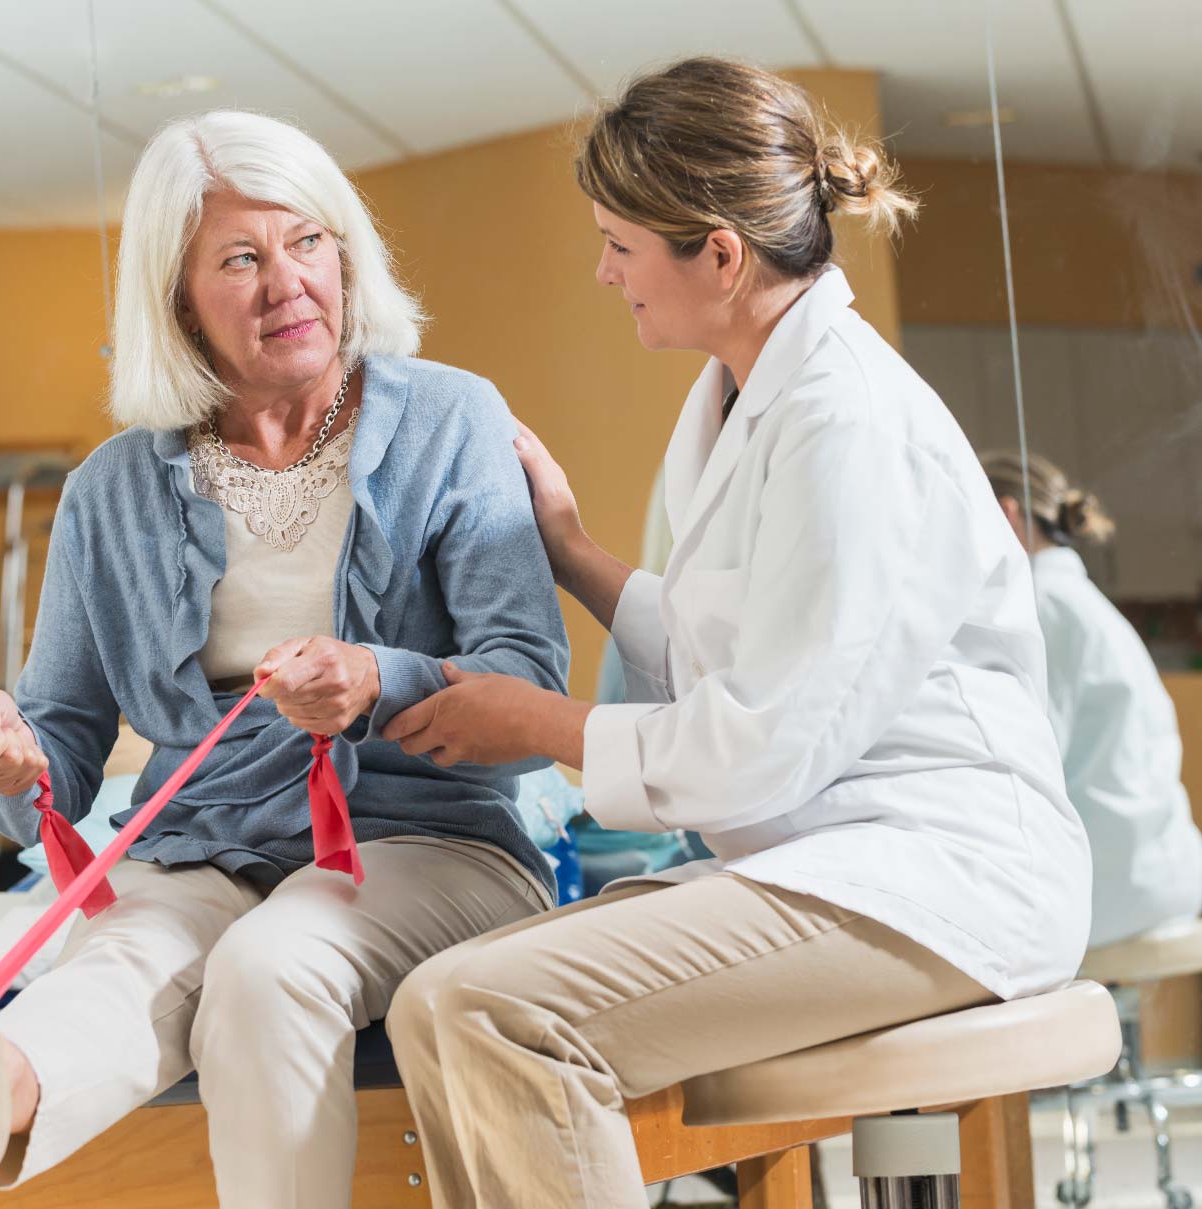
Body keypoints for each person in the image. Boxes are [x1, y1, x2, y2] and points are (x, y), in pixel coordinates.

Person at [380, 57, 1092, 1207]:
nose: (603, 270)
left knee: (494, 1009)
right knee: (435, 998)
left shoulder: (844, 421)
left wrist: (540, 721)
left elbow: (766, 735)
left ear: (718, 251)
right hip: (838, 856)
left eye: (619, 243)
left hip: (943, 874)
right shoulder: (741, 394)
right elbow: (744, 641)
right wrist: (572, 551)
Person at [0, 109, 568, 1205]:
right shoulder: (111, 492)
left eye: (308, 242)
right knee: (128, 957)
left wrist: (376, 682)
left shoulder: (451, 419)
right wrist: (15, 760)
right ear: (176, 300)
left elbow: (530, 678)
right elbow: (66, 744)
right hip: (202, 848)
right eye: (241, 259)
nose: (289, 283)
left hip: (430, 839)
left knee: (271, 969)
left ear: (347, 253)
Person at [982, 450, 1202, 947]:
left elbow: (1027, 766)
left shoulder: (1039, 605)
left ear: (1005, 514)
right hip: (1165, 870)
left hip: (1114, 893)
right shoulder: (1078, 600)